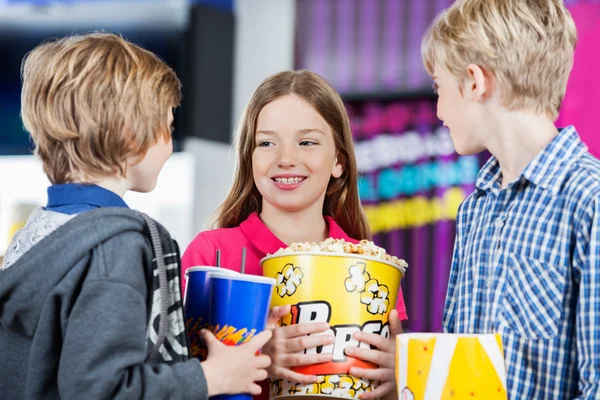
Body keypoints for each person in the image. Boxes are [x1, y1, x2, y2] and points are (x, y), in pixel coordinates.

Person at [0, 32, 271, 400]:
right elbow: (102, 389)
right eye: (168, 128)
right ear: (131, 137)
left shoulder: (35, 234)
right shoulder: (116, 248)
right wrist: (210, 378)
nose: (170, 144)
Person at [182, 70, 407, 400]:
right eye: (267, 143)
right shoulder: (209, 256)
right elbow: (174, 380)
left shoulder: (371, 266)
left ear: (339, 162)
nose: (286, 159)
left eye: (307, 142)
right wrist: (258, 359)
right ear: (250, 157)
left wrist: (397, 380)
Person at [422, 0, 600, 398]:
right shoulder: (475, 209)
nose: (438, 110)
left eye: (439, 87)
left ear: (474, 82)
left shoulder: (590, 201)